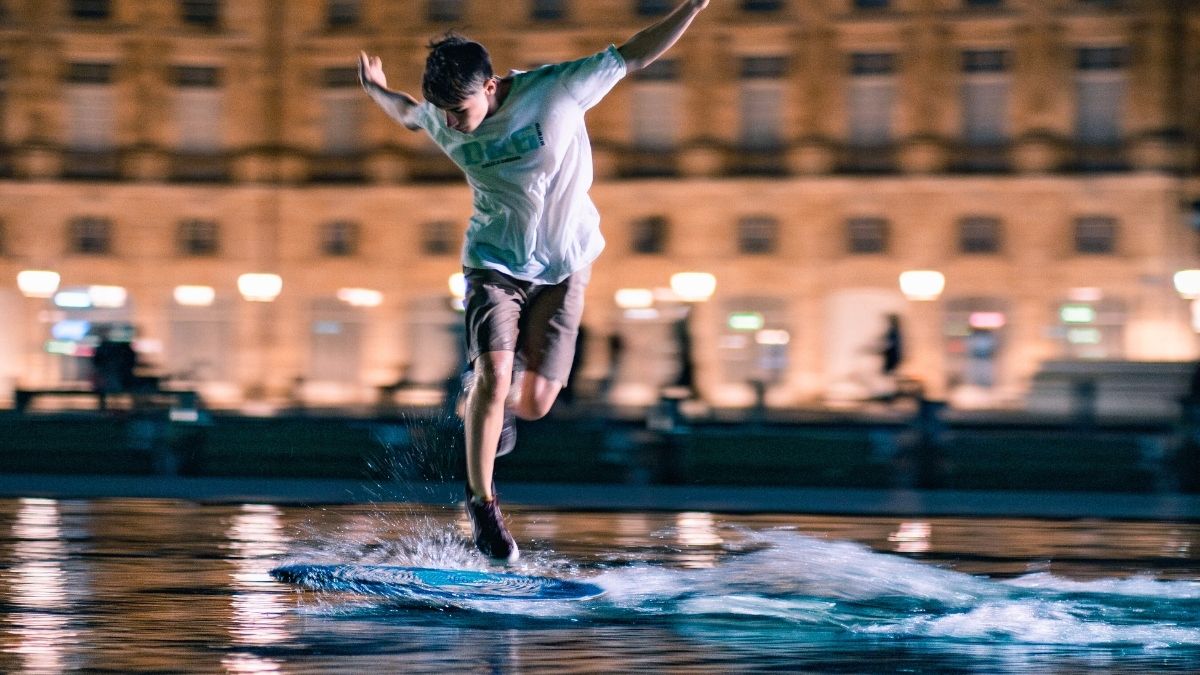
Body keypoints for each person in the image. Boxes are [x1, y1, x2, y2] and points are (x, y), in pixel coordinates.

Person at [360, 0, 710, 562]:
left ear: (491, 86)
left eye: (461, 110)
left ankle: (493, 399)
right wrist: (376, 89)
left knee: (538, 402)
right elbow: (407, 113)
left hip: (565, 263)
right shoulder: (441, 117)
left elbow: (636, 54)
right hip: (493, 262)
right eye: (444, 112)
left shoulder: (556, 90)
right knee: (493, 375)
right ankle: (482, 504)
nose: (453, 123)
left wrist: (692, 6)